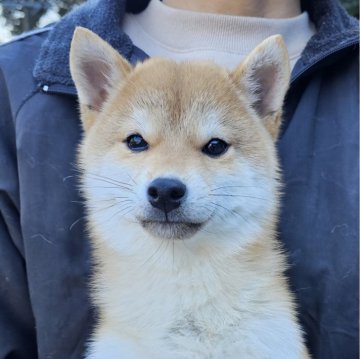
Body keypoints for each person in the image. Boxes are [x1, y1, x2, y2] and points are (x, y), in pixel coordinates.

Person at [0, 0, 358, 358]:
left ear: (265, 102)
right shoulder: (13, 82)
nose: (167, 180)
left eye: (213, 146)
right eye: (137, 142)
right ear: (97, 97)